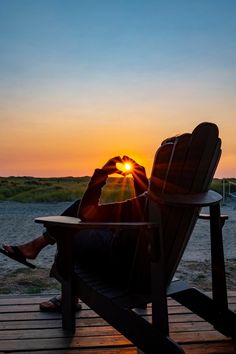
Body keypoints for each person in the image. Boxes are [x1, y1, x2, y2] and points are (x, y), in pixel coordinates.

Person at [1, 155, 149, 311]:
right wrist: (141, 181)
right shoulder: (164, 206)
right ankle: (35, 246)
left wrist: (102, 174)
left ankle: (68, 294)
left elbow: (86, 213)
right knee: (75, 215)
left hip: (121, 270)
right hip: (148, 268)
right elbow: (144, 209)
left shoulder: (146, 203)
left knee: (68, 227)